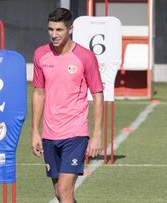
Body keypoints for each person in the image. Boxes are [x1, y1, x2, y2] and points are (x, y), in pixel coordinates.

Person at [31, 8, 104, 203]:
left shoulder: (86, 57)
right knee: (60, 192)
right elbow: (39, 92)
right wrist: (35, 131)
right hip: (49, 134)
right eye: (50, 29)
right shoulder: (40, 54)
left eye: (59, 30)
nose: (54, 35)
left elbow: (97, 94)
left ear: (70, 29)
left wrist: (96, 134)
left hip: (75, 133)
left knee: (64, 191)